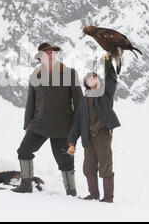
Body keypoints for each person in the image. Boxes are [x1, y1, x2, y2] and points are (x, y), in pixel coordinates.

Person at [12, 42, 83, 195]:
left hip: (62, 126)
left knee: (65, 163)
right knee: (24, 151)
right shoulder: (34, 76)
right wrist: (28, 125)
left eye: (52, 53)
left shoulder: (69, 74)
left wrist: (79, 127)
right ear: (40, 58)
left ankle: (71, 192)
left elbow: (79, 102)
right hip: (39, 125)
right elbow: (30, 102)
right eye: (47, 53)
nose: (50, 55)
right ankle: (26, 185)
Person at [66, 53, 120, 203]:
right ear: (86, 83)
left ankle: (108, 198)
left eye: (95, 76)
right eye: (90, 77)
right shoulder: (83, 101)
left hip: (102, 134)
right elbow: (76, 123)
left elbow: (111, 79)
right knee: (88, 167)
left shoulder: (105, 93)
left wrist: (108, 62)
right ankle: (94, 195)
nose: (92, 78)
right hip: (87, 138)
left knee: (105, 165)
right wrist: (71, 142)